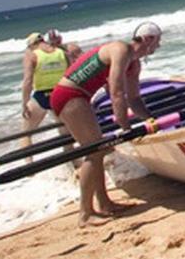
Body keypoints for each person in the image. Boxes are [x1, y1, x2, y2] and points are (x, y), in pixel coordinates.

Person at [49, 21, 163, 226]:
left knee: (98, 150)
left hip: (81, 98)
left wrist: (150, 119)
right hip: (68, 95)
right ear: (148, 39)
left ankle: (104, 203)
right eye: (158, 41)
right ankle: (84, 213)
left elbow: (134, 99)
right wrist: (125, 127)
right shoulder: (120, 50)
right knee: (94, 151)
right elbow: (116, 92)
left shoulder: (134, 64)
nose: (159, 46)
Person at [19, 30, 68, 147]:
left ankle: (29, 163)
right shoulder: (61, 52)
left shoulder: (32, 55)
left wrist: (24, 104)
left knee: (26, 134)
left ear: (32, 45)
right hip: (61, 94)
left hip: (42, 95)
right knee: (64, 131)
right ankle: (74, 162)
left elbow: (28, 81)